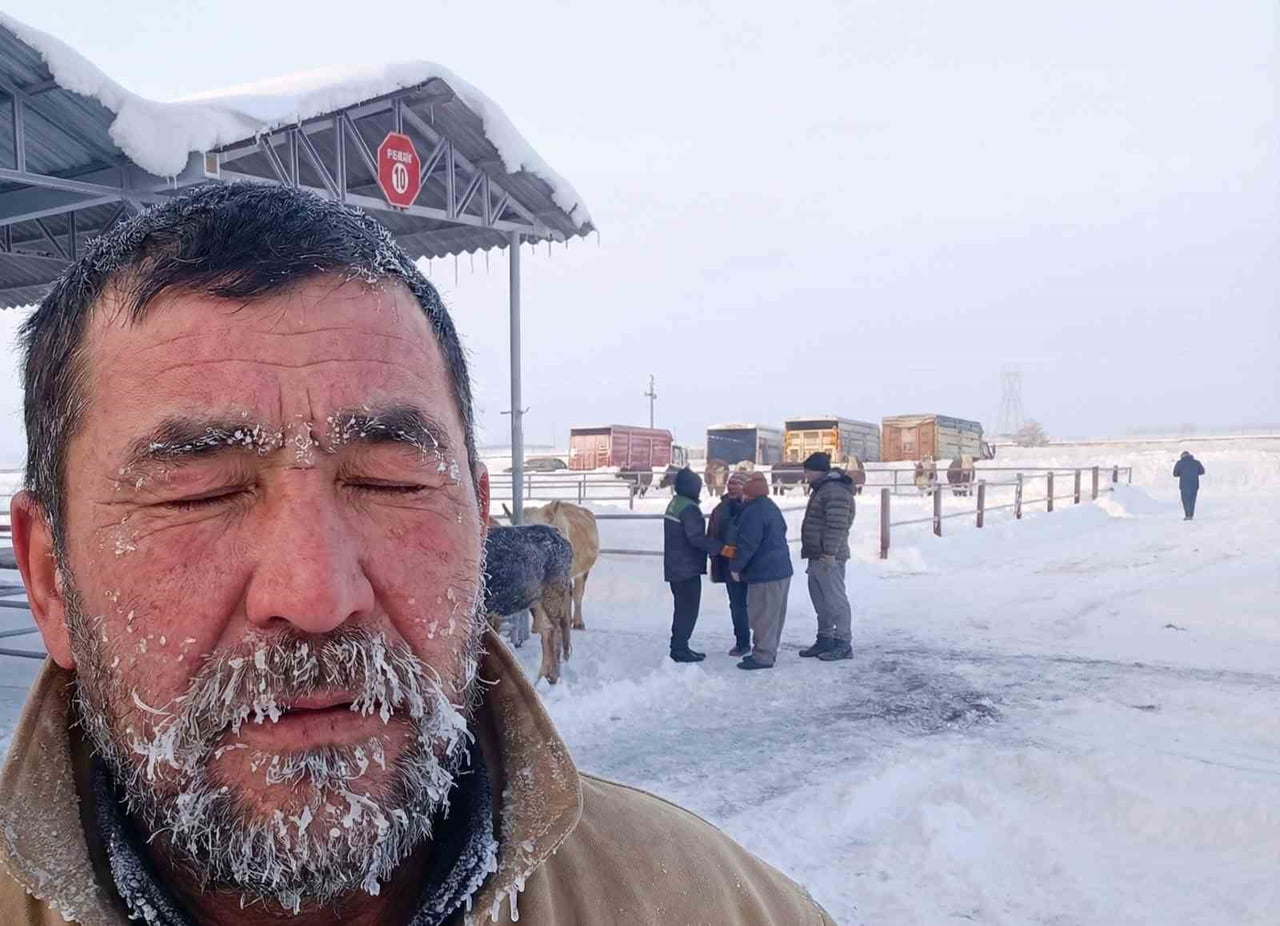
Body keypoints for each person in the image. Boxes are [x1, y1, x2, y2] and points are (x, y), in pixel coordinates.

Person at [0, 184, 833, 926]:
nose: (317, 593)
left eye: (392, 482)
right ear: (50, 579)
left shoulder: (713, 906)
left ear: (476, 523)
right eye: (199, 494)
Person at [729, 473, 794, 670]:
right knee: (774, 615)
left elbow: (748, 544)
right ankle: (768, 651)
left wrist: (736, 567)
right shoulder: (770, 507)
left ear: (749, 493)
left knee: (762, 615)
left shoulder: (753, 512)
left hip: (765, 572)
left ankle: (763, 656)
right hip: (781, 569)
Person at [663, 468, 727, 663]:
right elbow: (696, 538)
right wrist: (721, 548)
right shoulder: (689, 508)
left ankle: (679, 646)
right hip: (686, 568)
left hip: (675, 566)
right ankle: (680, 649)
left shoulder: (675, 503)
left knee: (681, 608)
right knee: (688, 610)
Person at [797, 453, 855, 662]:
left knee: (835, 600)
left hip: (829, 556)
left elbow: (837, 525)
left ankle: (843, 642)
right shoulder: (823, 489)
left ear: (817, 471)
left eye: (807, 471)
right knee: (821, 600)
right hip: (817, 555)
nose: (805, 475)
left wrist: (829, 553)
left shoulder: (835, 491)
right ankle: (825, 638)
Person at [708, 471, 750, 656]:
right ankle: (742, 641)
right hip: (730, 566)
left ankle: (764, 642)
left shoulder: (753, 508)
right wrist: (720, 550)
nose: (732, 488)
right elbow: (711, 537)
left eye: (737, 485)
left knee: (757, 605)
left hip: (751, 565)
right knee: (738, 605)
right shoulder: (719, 510)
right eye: (730, 485)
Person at [1173, 450, 1206, 520]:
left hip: (1184, 485)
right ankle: (1191, 514)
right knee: (1192, 500)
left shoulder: (1180, 463)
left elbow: (1175, 474)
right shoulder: (1196, 462)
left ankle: (1187, 514)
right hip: (1194, 484)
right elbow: (1202, 471)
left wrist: (1181, 473)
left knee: (1185, 500)